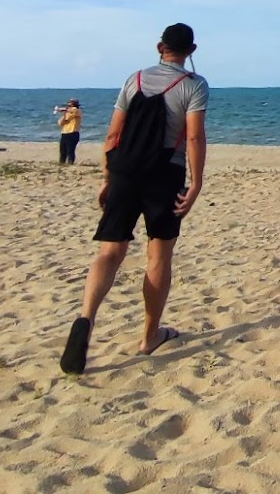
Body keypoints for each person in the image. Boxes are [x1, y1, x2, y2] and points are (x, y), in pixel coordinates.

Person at [60, 23, 209, 375]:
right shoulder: (193, 85)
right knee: (158, 253)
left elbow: (115, 132)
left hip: (125, 171)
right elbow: (194, 137)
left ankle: (85, 318)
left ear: (160, 47)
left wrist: (107, 176)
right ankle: (149, 336)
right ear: (192, 50)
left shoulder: (135, 79)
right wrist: (197, 183)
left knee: (110, 251)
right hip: (164, 174)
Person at [55, 98, 84, 166]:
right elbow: (60, 123)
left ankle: (70, 163)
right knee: (62, 150)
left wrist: (61, 109)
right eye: (70, 102)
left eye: (71, 103)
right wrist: (64, 115)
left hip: (73, 133)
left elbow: (73, 110)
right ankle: (62, 163)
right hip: (64, 133)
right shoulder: (67, 113)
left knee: (70, 150)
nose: (70, 104)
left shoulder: (78, 111)